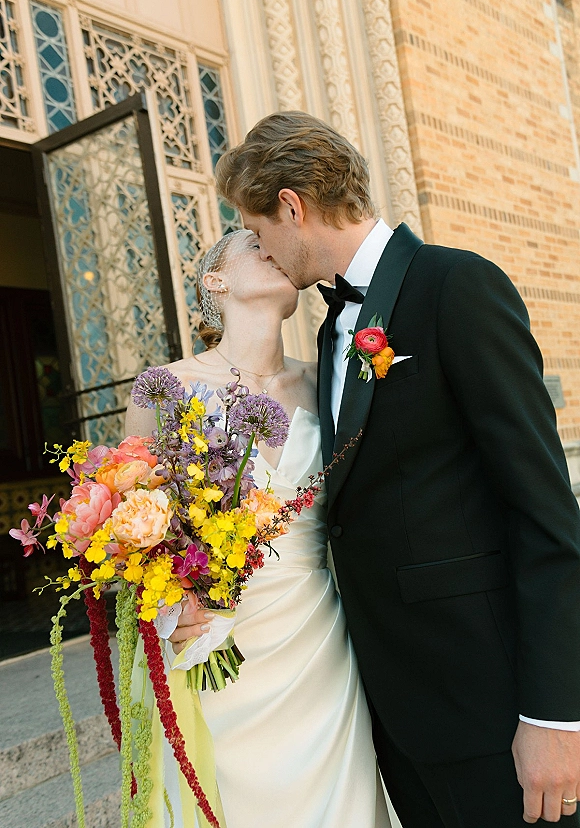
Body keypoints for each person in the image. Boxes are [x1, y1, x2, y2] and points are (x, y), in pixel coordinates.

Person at [177, 110, 580, 827]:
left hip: (492, 711)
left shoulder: (457, 285)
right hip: (389, 715)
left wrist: (555, 714)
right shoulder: (333, 330)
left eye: (258, 226)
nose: (262, 248)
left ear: (292, 207)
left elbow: (546, 512)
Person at [126, 228, 393, 828]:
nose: (271, 243)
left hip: (320, 640)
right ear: (212, 280)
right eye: (251, 242)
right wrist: (175, 607)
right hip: (211, 641)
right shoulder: (163, 386)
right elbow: (129, 525)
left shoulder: (327, 380)